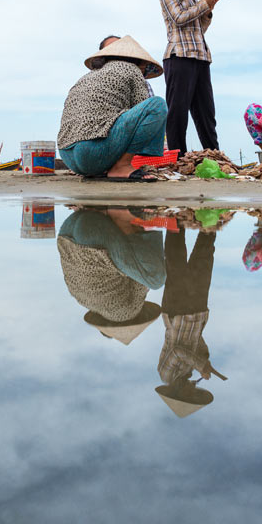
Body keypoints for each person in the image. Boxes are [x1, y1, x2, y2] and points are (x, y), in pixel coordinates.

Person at [57, 35, 168, 181]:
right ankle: (121, 167)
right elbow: (143, 112)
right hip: (91, 152)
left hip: (68, 157)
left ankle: (108, 167)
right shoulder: (132, 69)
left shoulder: (86, 77)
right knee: (157, 105)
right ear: (136, 60)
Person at [56, 207, 166, 344]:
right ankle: (100, 213)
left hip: (92, 237)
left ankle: (121, 217)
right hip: (68, 230)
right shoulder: (84, 302)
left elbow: (141, 282)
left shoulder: (125, 315)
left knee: (155, 280)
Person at [156, 227, 226, 418]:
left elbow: (178, 351)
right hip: (197, 312)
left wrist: (200, 365)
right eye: (195, 394)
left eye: (191, 395)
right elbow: (196, 340)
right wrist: (204, 358)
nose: (193, 391)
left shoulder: (166, 375)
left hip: (176, 311)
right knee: (204, 256)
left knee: (175, 257)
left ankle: (176, 218)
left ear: (179, 394)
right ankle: (211, 219)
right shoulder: (188, 371)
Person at [158, 0, 220, 153]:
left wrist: (208, 9)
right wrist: (203, 5)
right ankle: (177, 157)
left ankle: (214, 154)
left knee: (206, 112)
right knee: (178, 111)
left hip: (200, 56)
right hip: (179, 56)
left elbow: (199, 28)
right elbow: (179, 18)